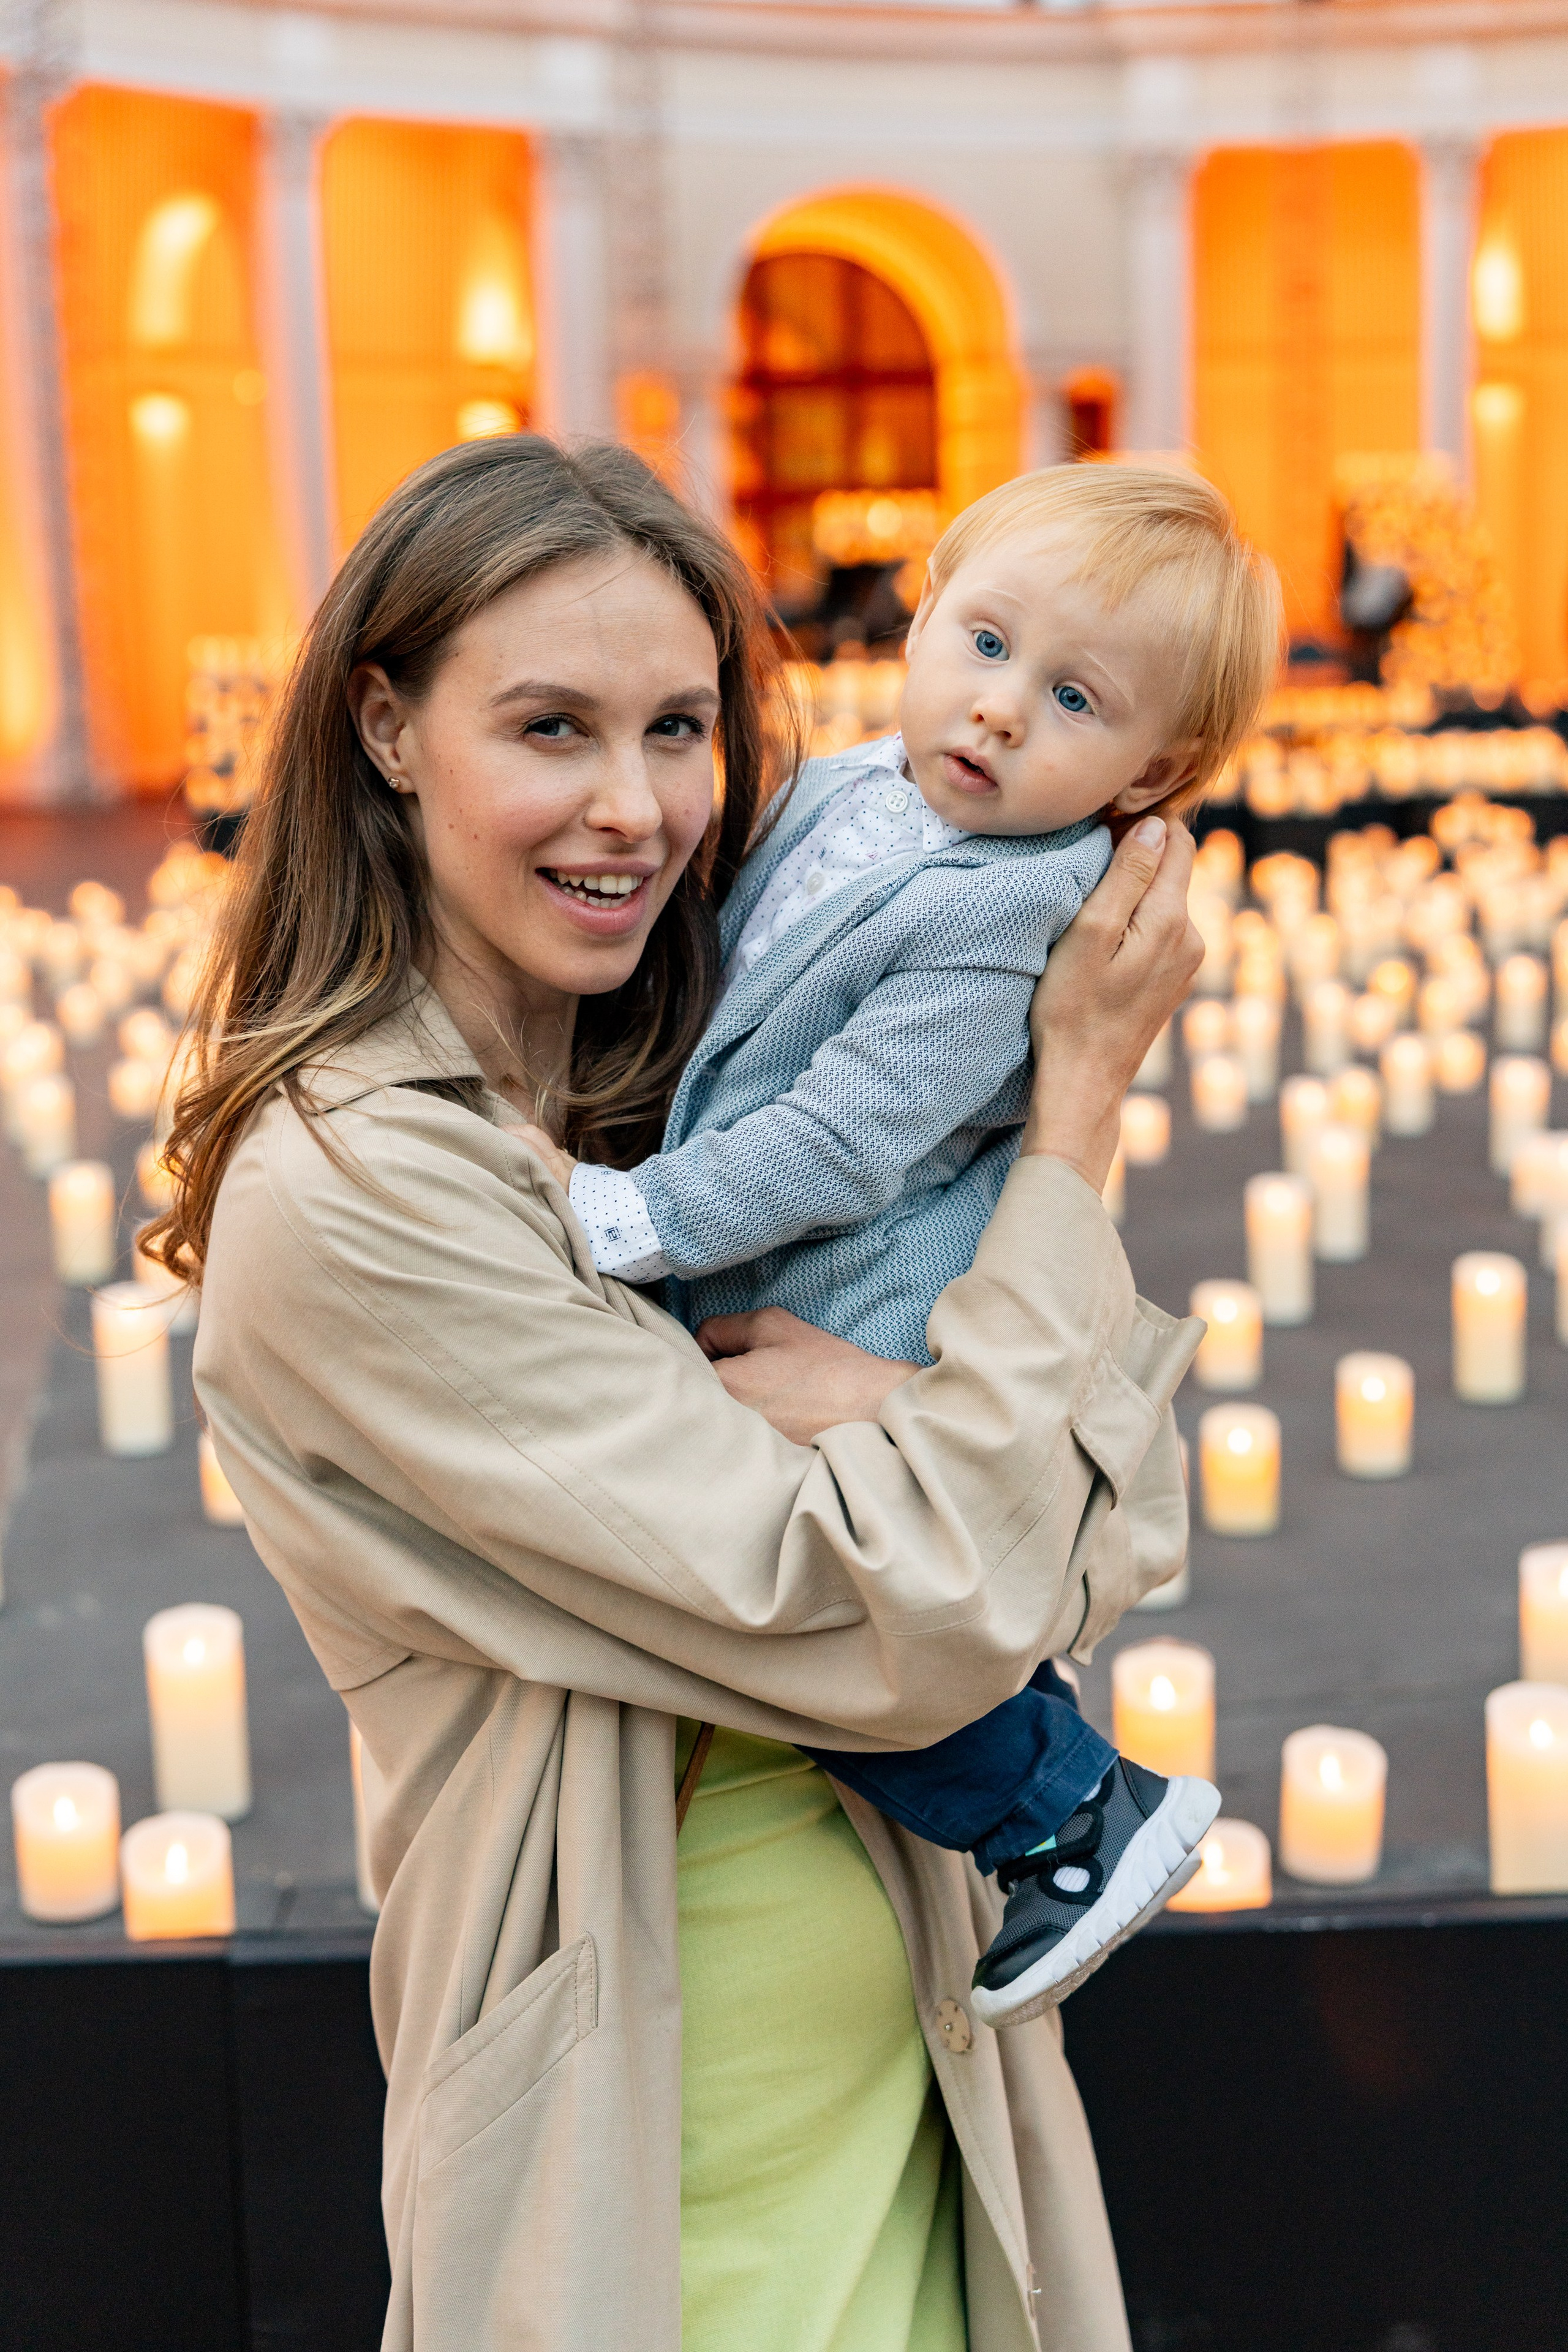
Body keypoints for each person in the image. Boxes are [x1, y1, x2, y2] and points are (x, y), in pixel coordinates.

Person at [151, 435, 1204, 2352]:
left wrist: (922, 1422)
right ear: (387, 730)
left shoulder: (667, 1086)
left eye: (678, 730)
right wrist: (1067, 1137)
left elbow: (1104, 1536)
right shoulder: (364, 1182)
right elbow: (948, 1606)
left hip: (907, 2105)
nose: (633, 808)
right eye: (551, 727)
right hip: (652, 2178)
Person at [516, 466, 1280, 2027]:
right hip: (758, 1235)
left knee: (828, 1606)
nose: (998, 711)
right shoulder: (859, 785)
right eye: (984, 643)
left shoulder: (1013, 906)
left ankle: (1066, 1810)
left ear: (1158, 768)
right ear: (923, 605)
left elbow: (846, 1137)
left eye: (1073, 698)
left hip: (849, 1281)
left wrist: (639, 1215)